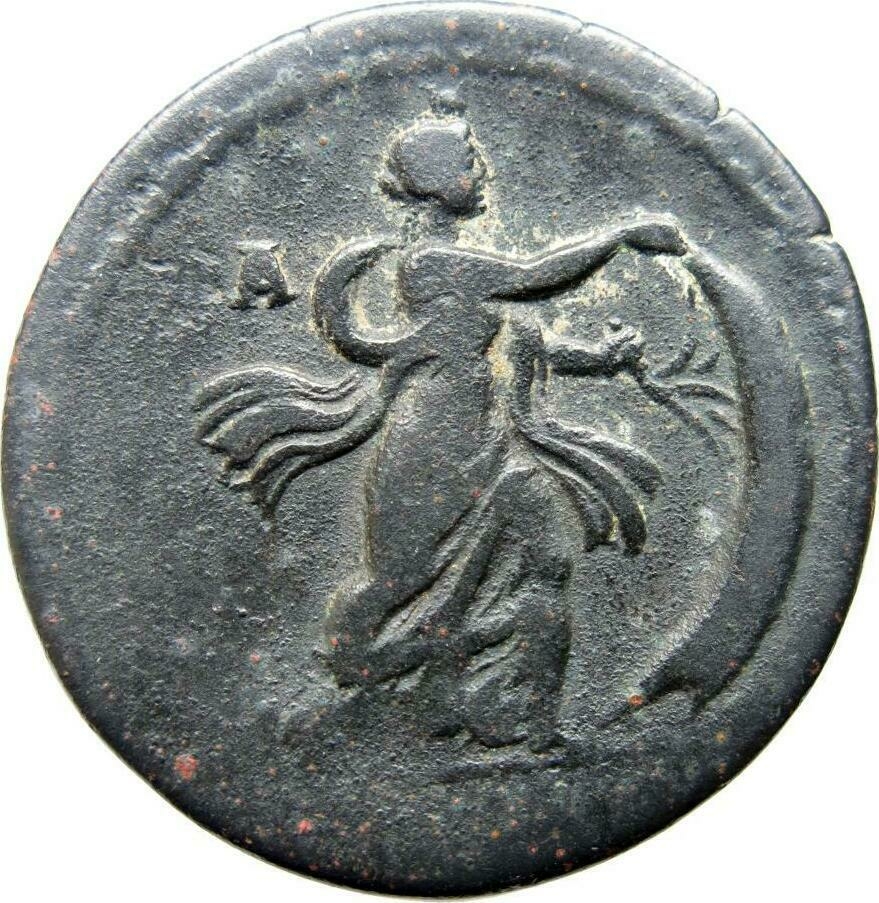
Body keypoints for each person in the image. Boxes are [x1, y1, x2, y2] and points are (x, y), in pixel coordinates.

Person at [196, 113, 688, 753]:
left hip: (493, 443)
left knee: (550, 558)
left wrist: (599, 358)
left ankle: (531, 724)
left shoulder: (457, 278)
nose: (479, 170)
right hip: (433, 443)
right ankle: (377, 676)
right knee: (396, 582)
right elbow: (535, 273)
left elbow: (510, 339)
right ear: (433, 180)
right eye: (466, 161)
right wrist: (621, 235)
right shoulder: (432, 261)